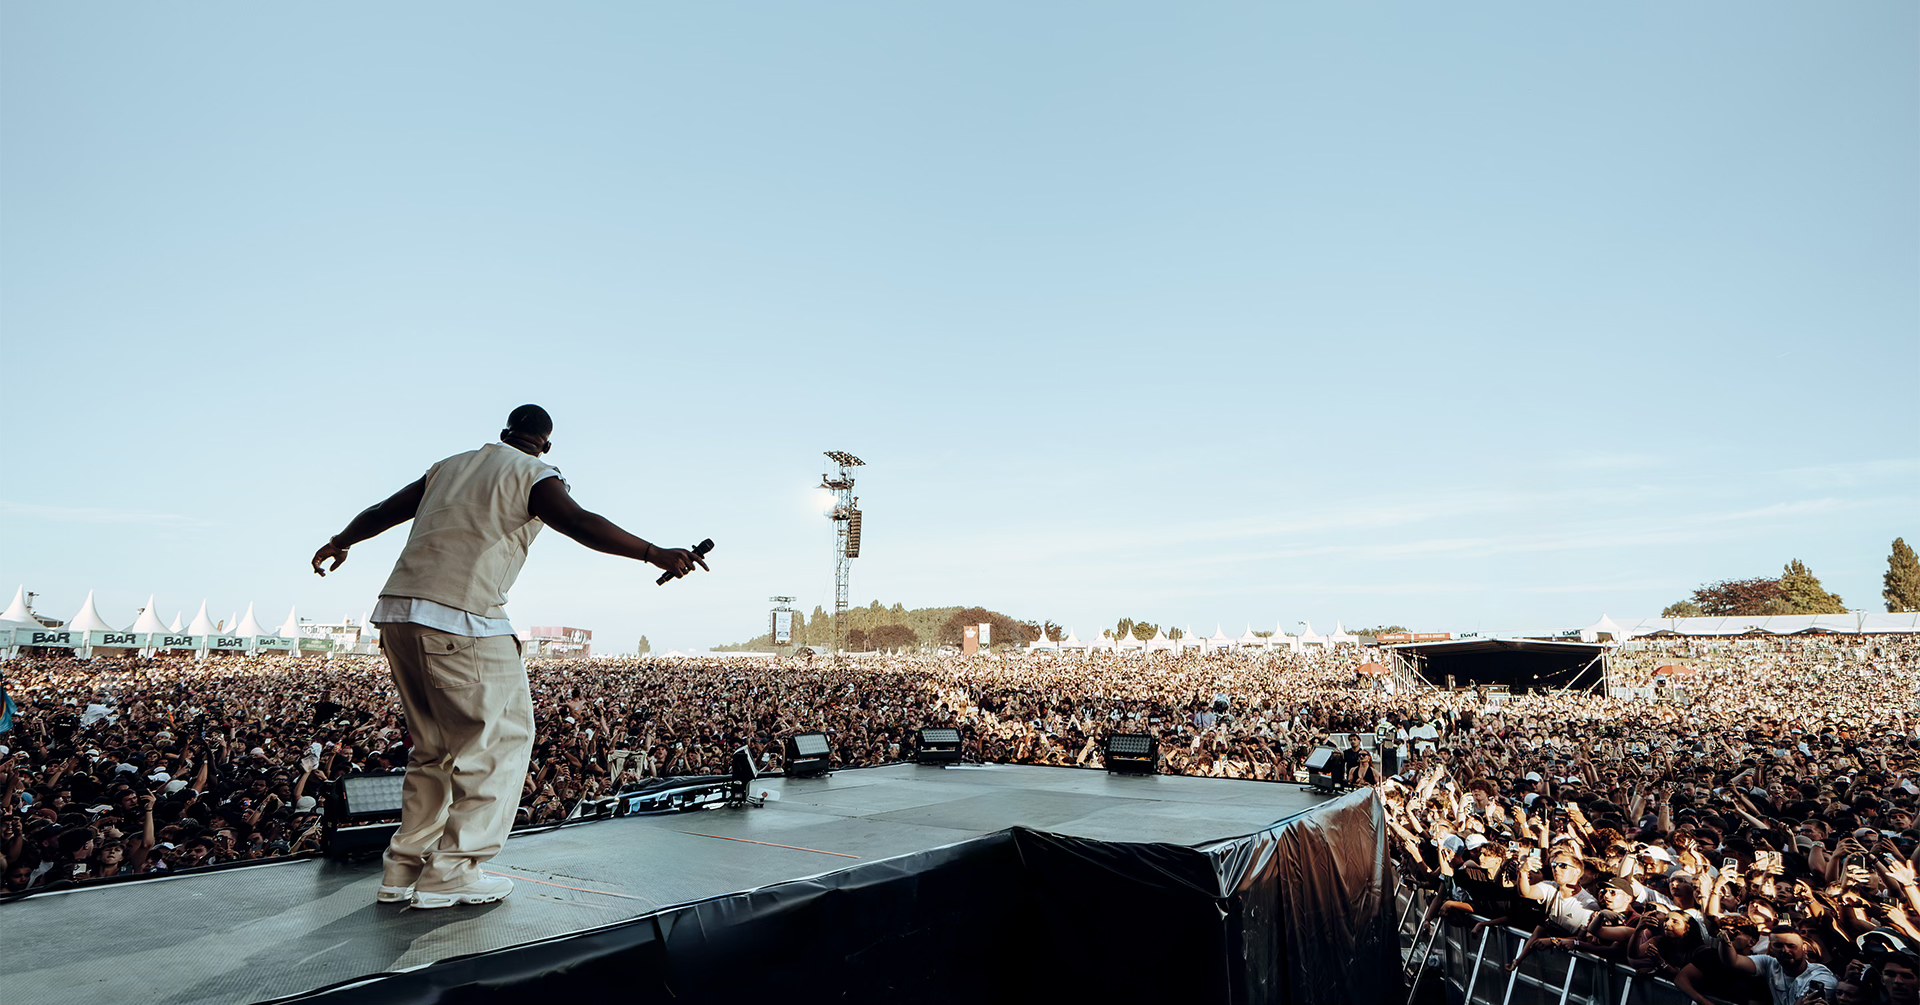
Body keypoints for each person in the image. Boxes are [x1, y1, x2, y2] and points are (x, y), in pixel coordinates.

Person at [310, 404, 708, 908]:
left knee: (434, 748)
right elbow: (579, 522)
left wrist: (340, 541)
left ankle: (402, 870)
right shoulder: (535, 473)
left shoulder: (447, 467)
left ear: (504, 431)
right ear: (545, 443)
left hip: (397, 614)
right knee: (499, 743)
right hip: (463, 617)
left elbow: (382, 512)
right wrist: (655, 552)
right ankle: (453, 872)